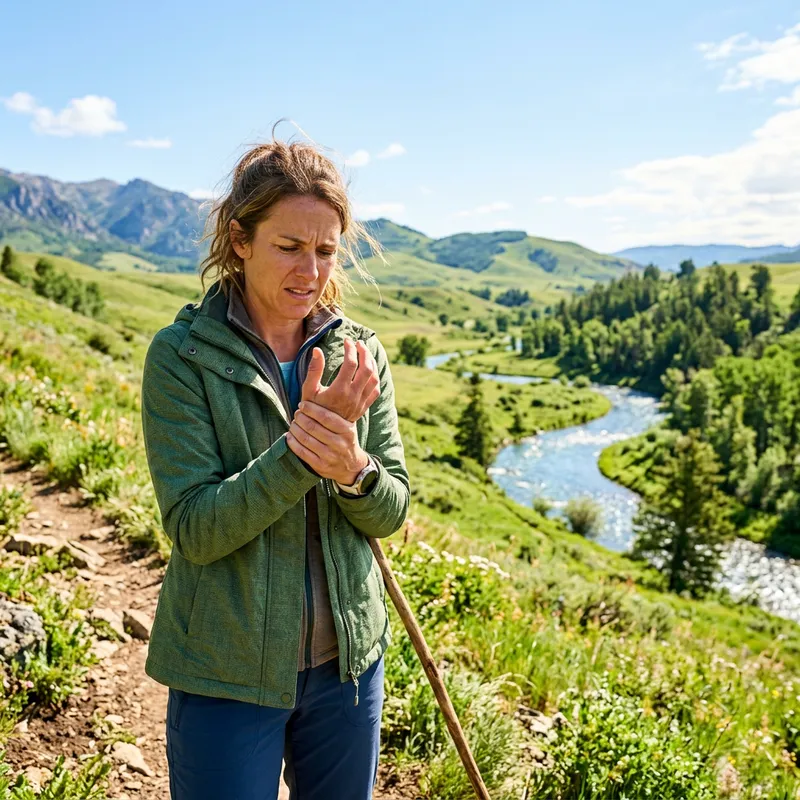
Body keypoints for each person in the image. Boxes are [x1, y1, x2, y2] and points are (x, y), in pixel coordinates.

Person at [140, 137, 410, 800]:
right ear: (240, 239)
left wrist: (353, 468)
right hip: (224, 672)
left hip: (348, 671)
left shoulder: (360, 353)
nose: (310, 270)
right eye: (289, 247)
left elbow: (393, 508)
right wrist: (301, 452)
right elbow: (197, 529)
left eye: (324, 250)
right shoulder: (182, 358)